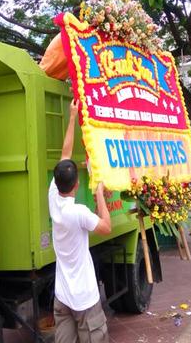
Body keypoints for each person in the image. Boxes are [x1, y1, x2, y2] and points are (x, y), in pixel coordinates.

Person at [49, 99, 111, 343]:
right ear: (76, 185)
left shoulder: (53, 196)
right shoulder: (79, 212)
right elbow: (106, 227)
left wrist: (72, 116)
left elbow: (65, 154)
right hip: (84, 297)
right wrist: (99, 193)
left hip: (62, 296)